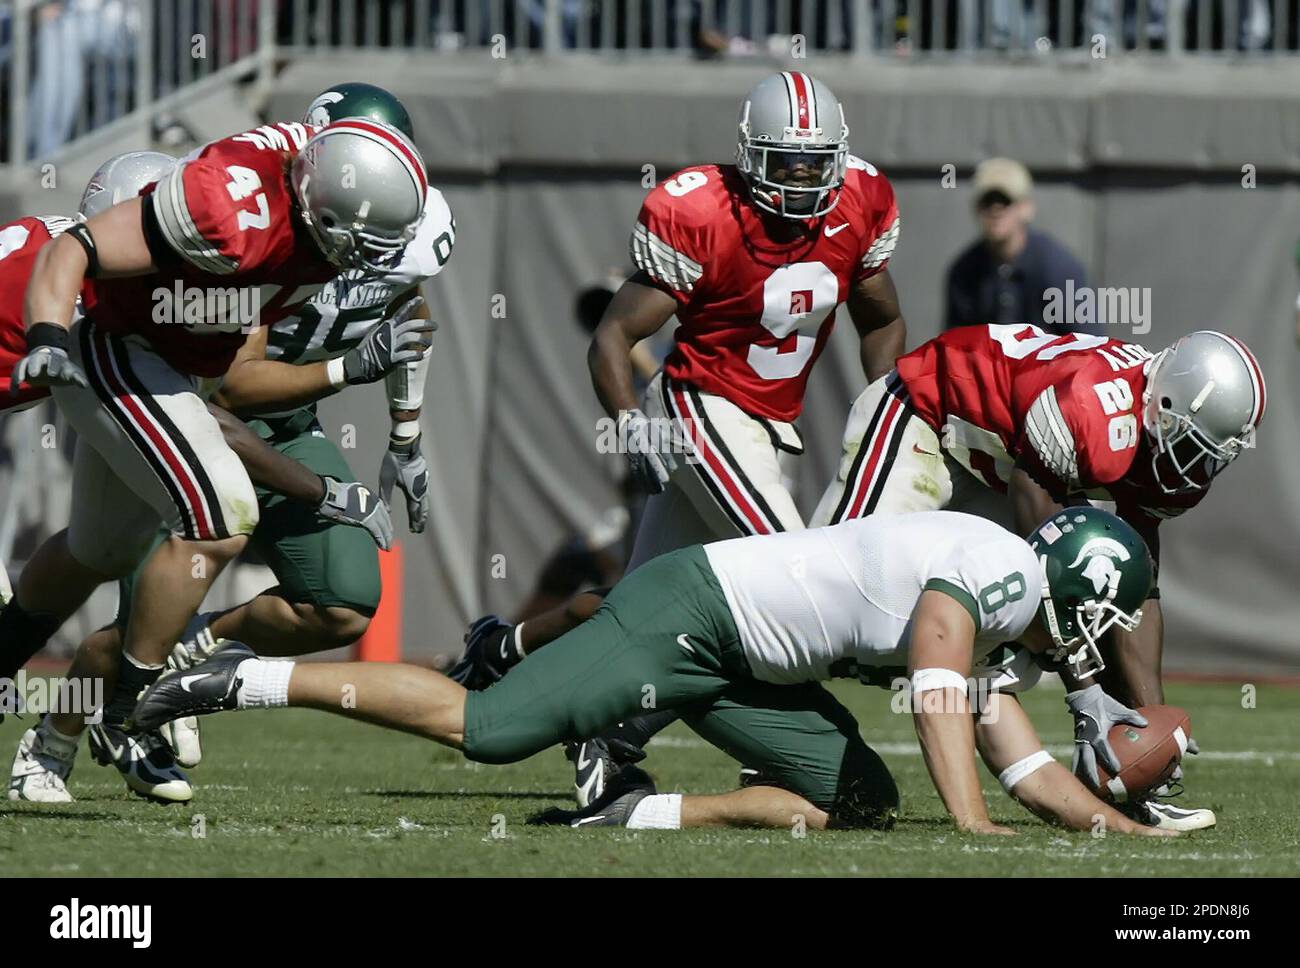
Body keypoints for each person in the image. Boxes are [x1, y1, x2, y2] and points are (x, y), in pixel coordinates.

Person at [131, 507, 1173, 839]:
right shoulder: (996, 570)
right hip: (696, 614)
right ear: (1084, 582)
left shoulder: (1009, 602)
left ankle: (634, 809)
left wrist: (1120, 831)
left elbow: (1022, 759)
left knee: (855, 800)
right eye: (1110, 611)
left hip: (746, 663)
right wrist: (975, 831)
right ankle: (231, 676)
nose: (1107, 637)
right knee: (488, 731)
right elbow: (941, 697)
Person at [11, 87, 453, 803]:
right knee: (206, 525)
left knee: (327, 594)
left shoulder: (379, 222)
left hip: (246, 403)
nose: (378, 266)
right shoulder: (233, 219)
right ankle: (108, 722)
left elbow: (411, 311)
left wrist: (405, 436)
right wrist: (346, 379)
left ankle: (178, 662)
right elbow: (227, 392)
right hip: (178, 382)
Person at [576, 70, 905, 803]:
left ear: (840, 158)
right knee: (795, 580)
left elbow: (880, 319)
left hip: (771, 431)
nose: (801, 179)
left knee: (640, 609)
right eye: (785, 162)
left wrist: (885, 402)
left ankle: (588, 716)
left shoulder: (863, 204)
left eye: (816, 162)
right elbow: (612, 336)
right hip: (700, 407)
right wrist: (631, 420)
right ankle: (776, 753)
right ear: (750, 157)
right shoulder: (702, 211)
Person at [810, 323, 1264, 829]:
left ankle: (1118, 788)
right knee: (836, 587)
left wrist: (1145, 721)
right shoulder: (1092, 405)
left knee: (1000, 633)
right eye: (1193, 443)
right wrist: (1082, 688)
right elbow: (1049, 554)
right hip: (925, 409)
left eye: (1212, 455)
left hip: (999, 462)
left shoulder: (1155, 443)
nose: (1195, 467)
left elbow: (1135, 583)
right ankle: (774, 753)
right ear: (1163, 404)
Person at [944, 158, 1094, 335]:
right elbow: (956, 348)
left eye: (1005, 200)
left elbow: (1089, 347)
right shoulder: (964, 273)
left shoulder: (1059, 270)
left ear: (1026, 208)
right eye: (988, 201)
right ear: (977, 208)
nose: (995, 210)